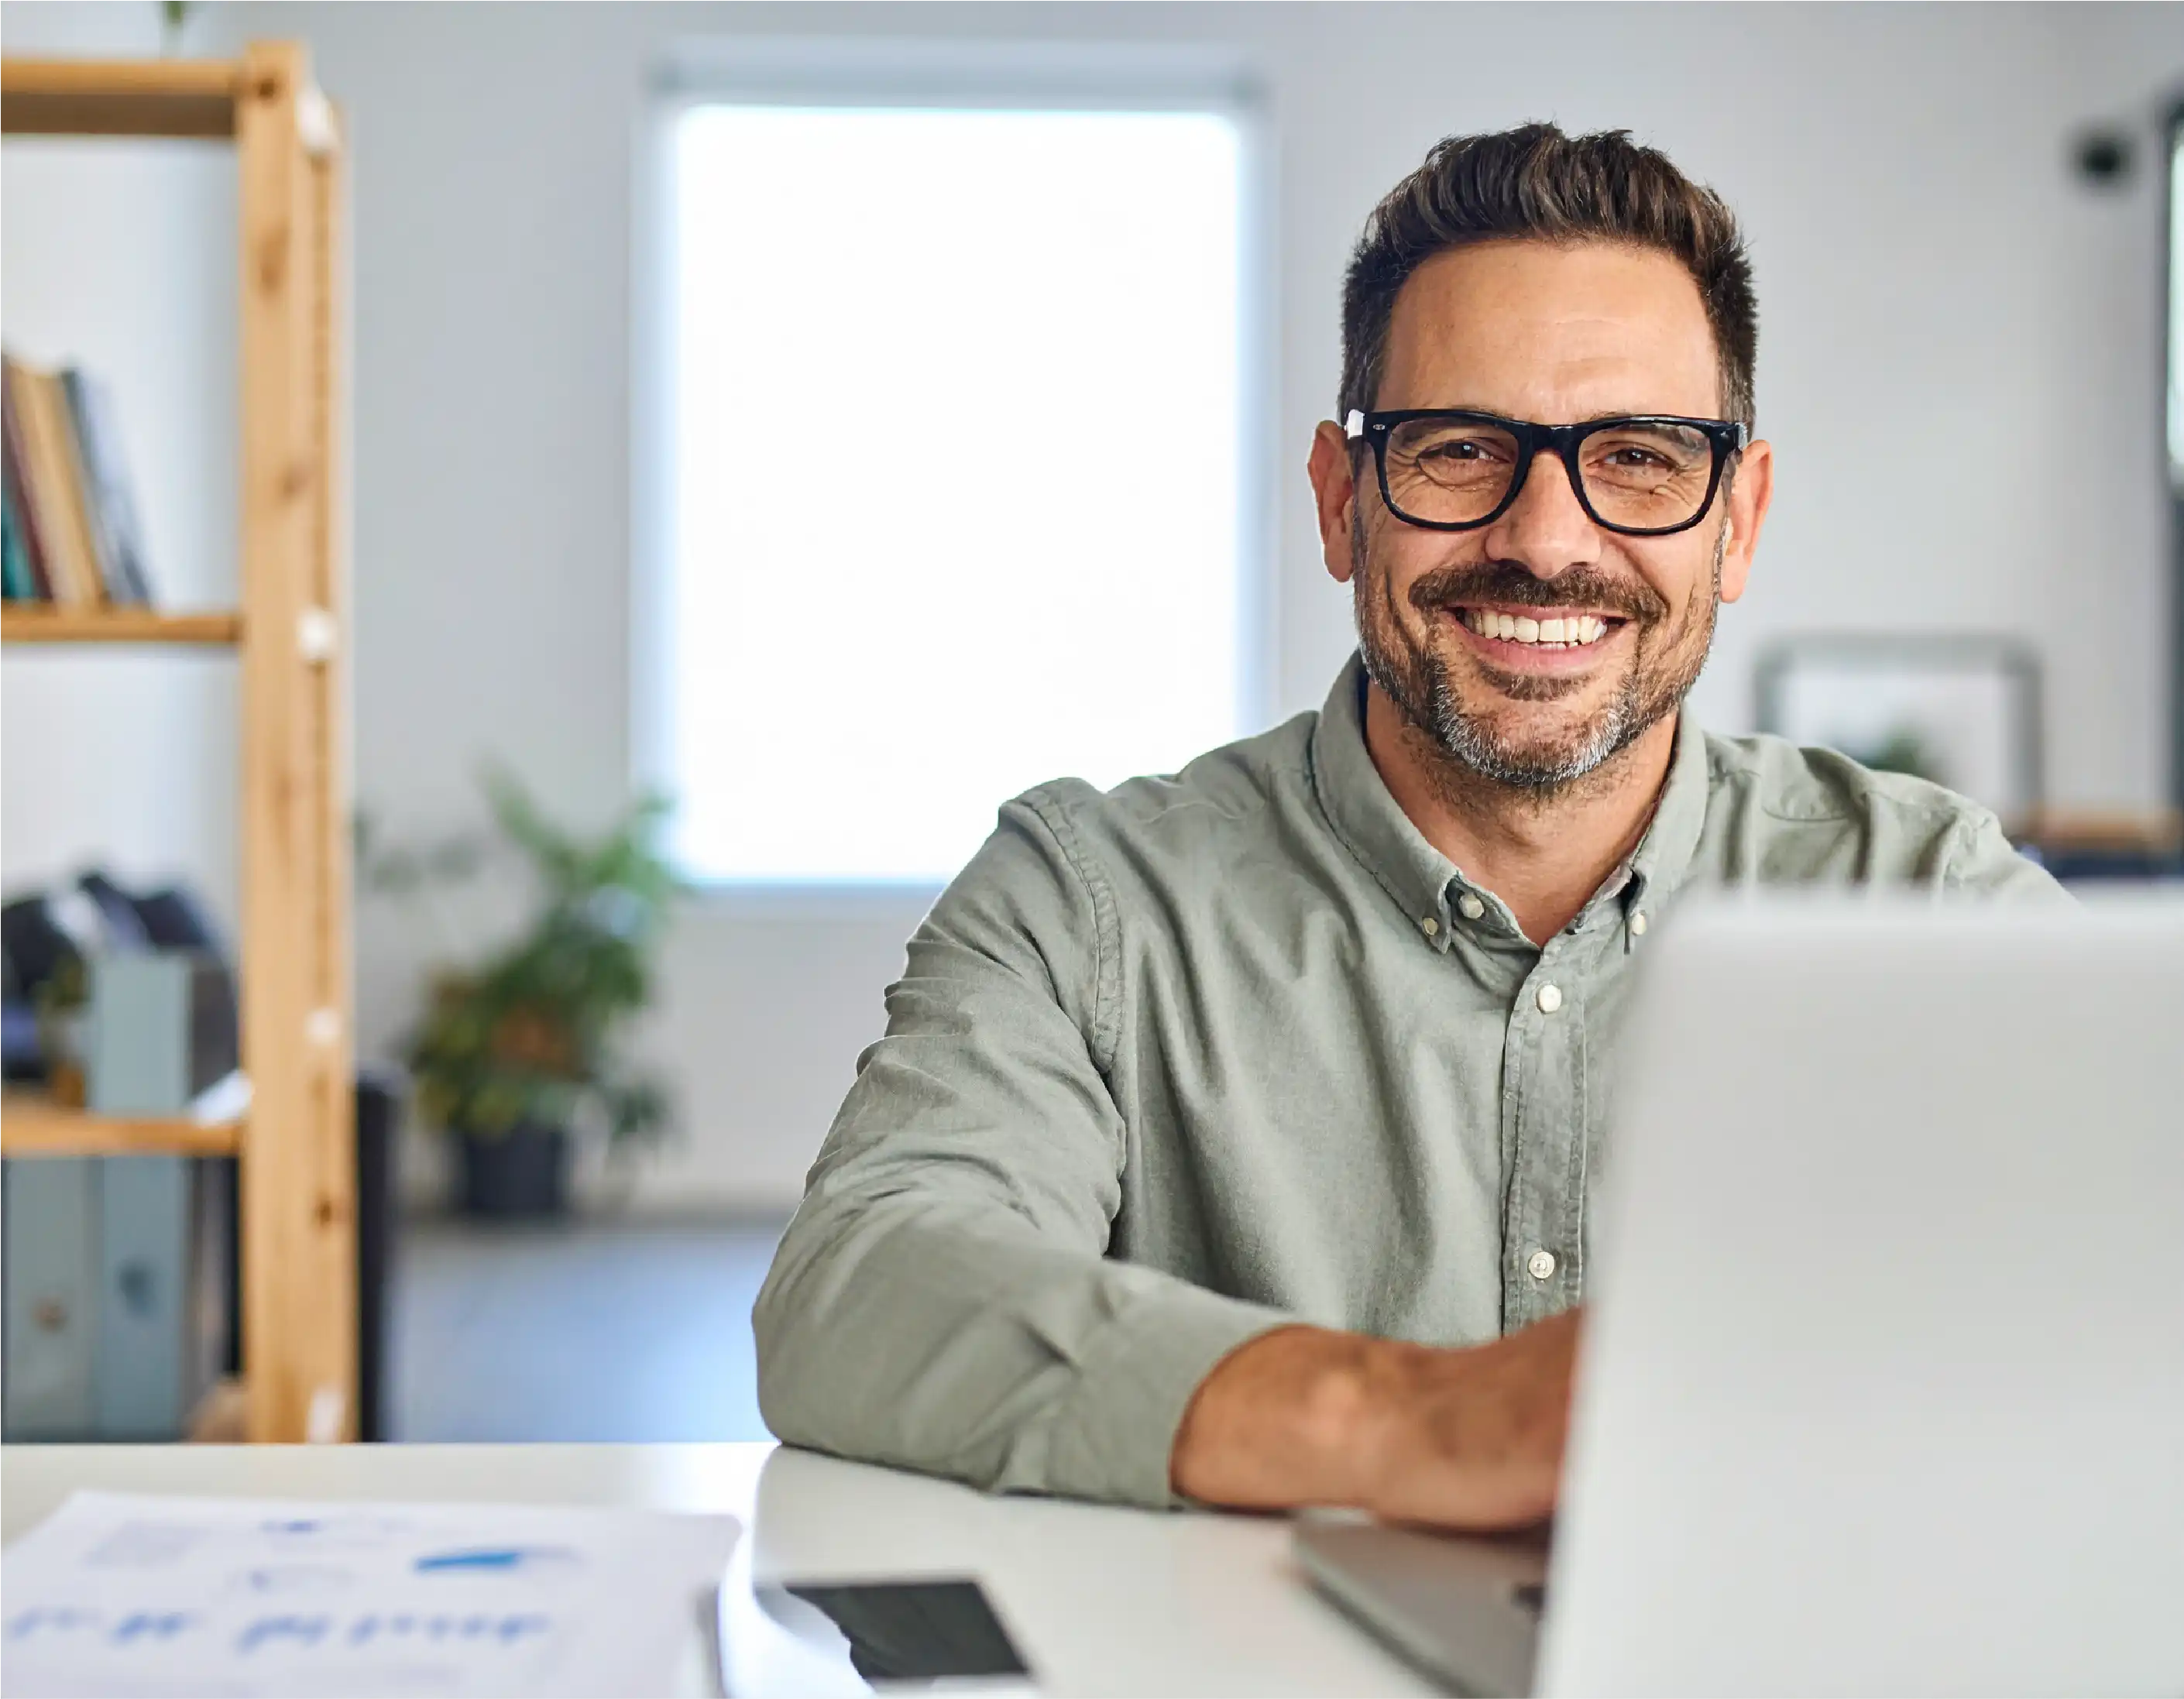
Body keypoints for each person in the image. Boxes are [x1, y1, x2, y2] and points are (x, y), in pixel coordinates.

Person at [753, 123, 2063, 1529]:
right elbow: (865, 1284)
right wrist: (1403, 1422)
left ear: (1735, 522)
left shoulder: (1934, 902)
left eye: (1637, 455)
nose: (1549, 539)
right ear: (1341, 499)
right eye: (1457, 450)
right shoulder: (1090, 905)